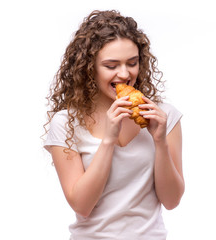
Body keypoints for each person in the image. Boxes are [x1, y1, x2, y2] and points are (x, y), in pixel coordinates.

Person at [43, 10, 184, 240]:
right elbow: (81, 205)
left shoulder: (163, 116)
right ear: (89, 68)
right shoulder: (66, 123)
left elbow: (171, 201)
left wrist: (159, 142)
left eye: (132, 63)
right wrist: (108, 140)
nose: (125, 73)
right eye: (111, 65)